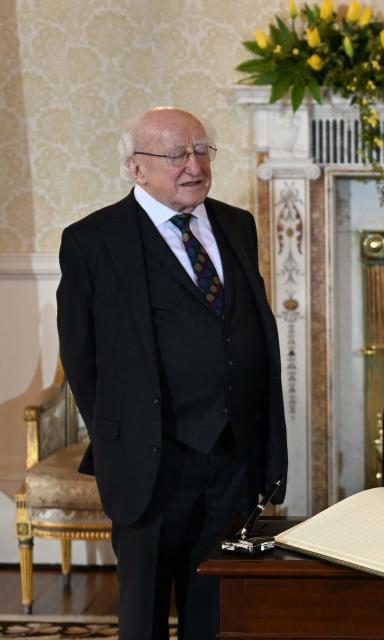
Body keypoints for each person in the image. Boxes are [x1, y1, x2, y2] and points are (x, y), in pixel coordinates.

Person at [56, 107, 287, 640]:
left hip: (233, 459)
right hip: (151, 464)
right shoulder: (93, 241)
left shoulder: (236, 224)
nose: (194, 165)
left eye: (202, 150)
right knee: (146, 614)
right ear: (136, 168)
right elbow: (82, 358)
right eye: (176, 154)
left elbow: (251, 330)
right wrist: (124, 436)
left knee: (219, 607)